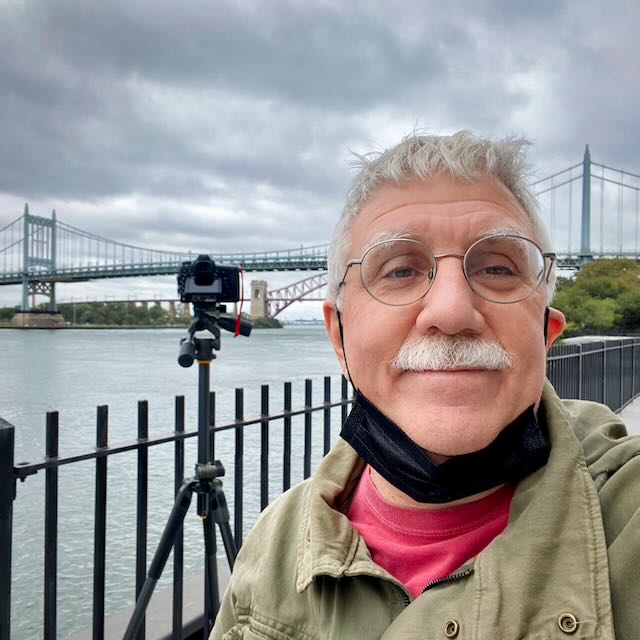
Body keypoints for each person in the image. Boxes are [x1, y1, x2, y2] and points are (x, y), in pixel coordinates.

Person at [211, 132, 640, 639]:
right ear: (339, 338)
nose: (452, 311)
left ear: (546, 333)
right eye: (400, 271)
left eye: (498, 268)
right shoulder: (273, 544)